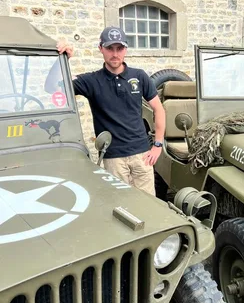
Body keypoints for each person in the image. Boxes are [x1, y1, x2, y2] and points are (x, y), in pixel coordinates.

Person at [55, 26, 165, 195]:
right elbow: (54, 88)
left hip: (142, 155)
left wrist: (157, 145)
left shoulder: (139, 76)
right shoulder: (91, 81)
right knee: (120, 206)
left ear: (126, 49)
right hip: (113, 157)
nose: (115, 54)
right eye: (110, 48)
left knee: (149, 205)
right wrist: (62, 60)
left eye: (119, 48)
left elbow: (159, 109)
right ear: (101, 49)